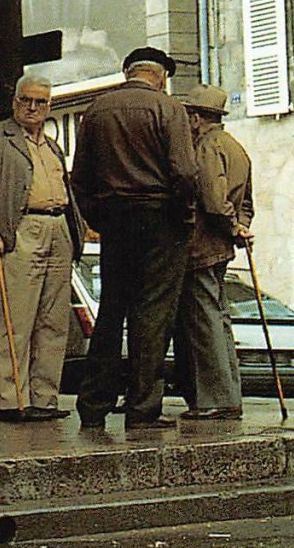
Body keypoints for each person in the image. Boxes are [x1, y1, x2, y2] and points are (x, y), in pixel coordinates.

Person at [70, 46, 198, 431]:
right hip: (160, 218)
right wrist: (183, 214)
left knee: (111, 311)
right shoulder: (168, 109)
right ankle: (143, 407)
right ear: (160, 76)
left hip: (115, 219)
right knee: (152, 315)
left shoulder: (96, 111)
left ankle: (94, 404)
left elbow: (79, 179)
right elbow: (185, 172)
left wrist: (100, 215)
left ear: (128, 72)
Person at [0, 74, 83, 421]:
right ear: (15, 101)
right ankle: (13, 400)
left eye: (40, 102)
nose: (32, 108)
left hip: (58, 227)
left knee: (53, 321)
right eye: (25, 100)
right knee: (15, 320)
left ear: (50, 106)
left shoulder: (52, 146)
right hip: (22, 229)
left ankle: (44, 398)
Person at [174, 83, 253, 420]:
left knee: (204, 321)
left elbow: (213, 200)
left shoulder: (206, 147)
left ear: (195, 118)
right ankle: (227, 395)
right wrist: (240, 226)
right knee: (218, 319)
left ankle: (214, 399)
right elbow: (246, 200)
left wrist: (232, 224)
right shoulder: (236, 148)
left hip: (203, 245)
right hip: (220, 246)